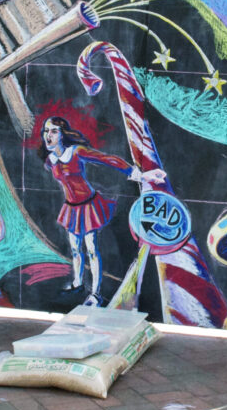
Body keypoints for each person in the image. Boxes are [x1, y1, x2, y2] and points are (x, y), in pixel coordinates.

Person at [38, 116, 164, 306]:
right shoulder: (51, 160)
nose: (49, 135)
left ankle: (95, 294)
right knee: (75, 248)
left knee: (91, 250)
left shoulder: (76, 152)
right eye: (46, 131)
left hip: (88, 205)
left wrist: (138, 175)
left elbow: (106, 159)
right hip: (71, 208)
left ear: (62, 135)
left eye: (54, 131)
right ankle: (77, 282)